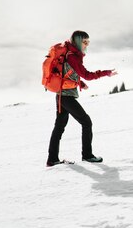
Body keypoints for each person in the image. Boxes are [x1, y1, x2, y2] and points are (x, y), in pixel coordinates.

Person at [46, 30, 117, 166]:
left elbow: (69, 73)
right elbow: (87, 74)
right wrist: (106, 73)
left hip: (62, 96)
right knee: (86, 122)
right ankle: (87, 155)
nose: (86, 45)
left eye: (88, 42)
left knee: (59, 127)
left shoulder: (70, 55)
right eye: (85, 42)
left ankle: (52, 159)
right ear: (78, 41)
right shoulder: (72, 56)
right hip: (66, 97)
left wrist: (81, 84)